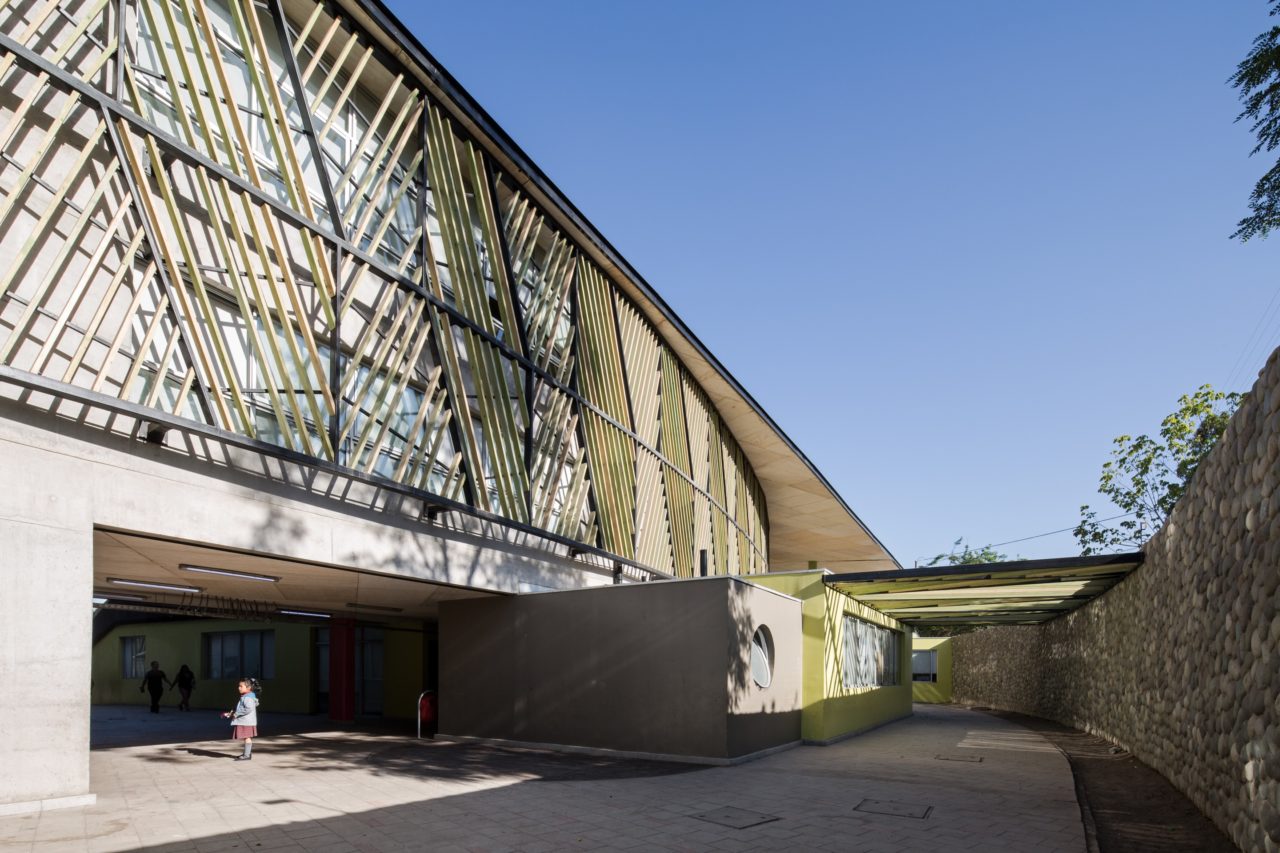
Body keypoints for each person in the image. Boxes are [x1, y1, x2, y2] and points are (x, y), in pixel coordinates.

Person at [222, 677, 260, 761]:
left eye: (241, 686)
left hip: (246, 722)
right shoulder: (246, 696)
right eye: (239, 686)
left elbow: (248, 708)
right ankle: (247, 754)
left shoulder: (248, 698)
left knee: (247, 738)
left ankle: (247, 755)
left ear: (249, 688)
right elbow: (242, 707)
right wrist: (233, 712)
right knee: (246, 737)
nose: (238, 688)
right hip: (246, 721)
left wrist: (236, 713)